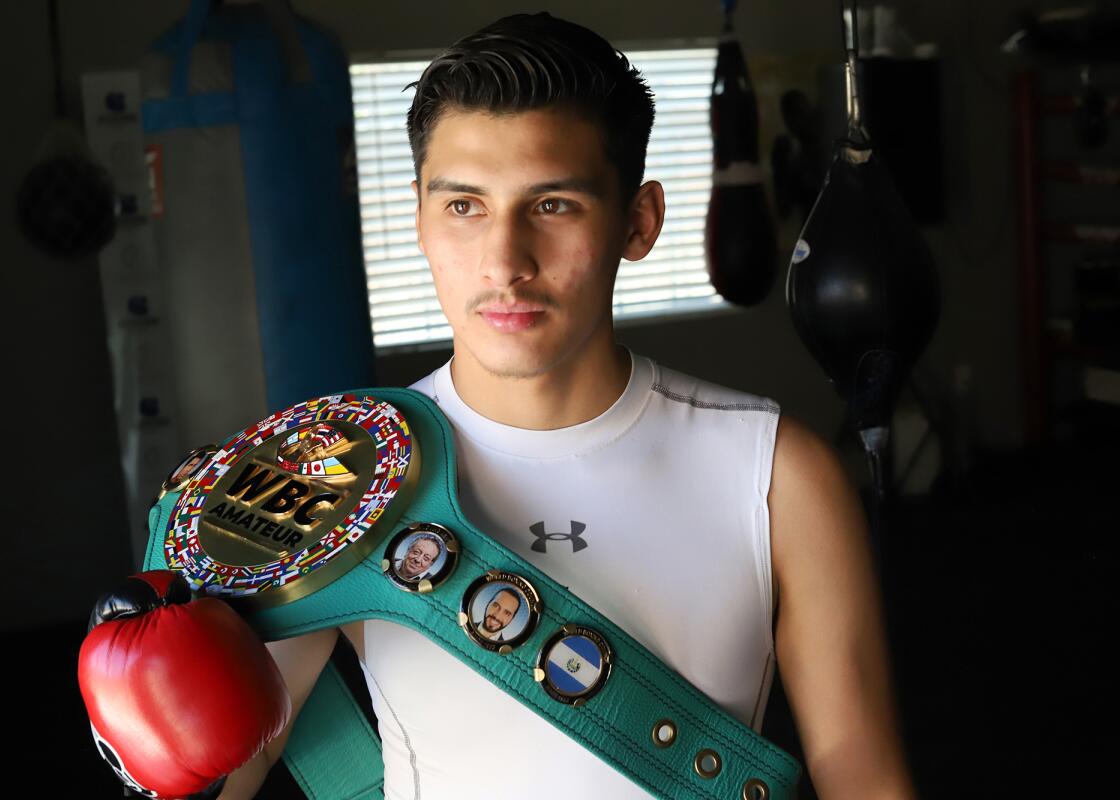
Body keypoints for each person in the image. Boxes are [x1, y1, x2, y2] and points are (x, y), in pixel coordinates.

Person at [219, 11, 916, 799]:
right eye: (464, 206)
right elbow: (224, 768)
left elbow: (867, 779)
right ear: (419, 218)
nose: (504, 262)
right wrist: (155, 687)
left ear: (638, 222)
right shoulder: (339, 477)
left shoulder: (778, 475)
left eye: (552, 205)